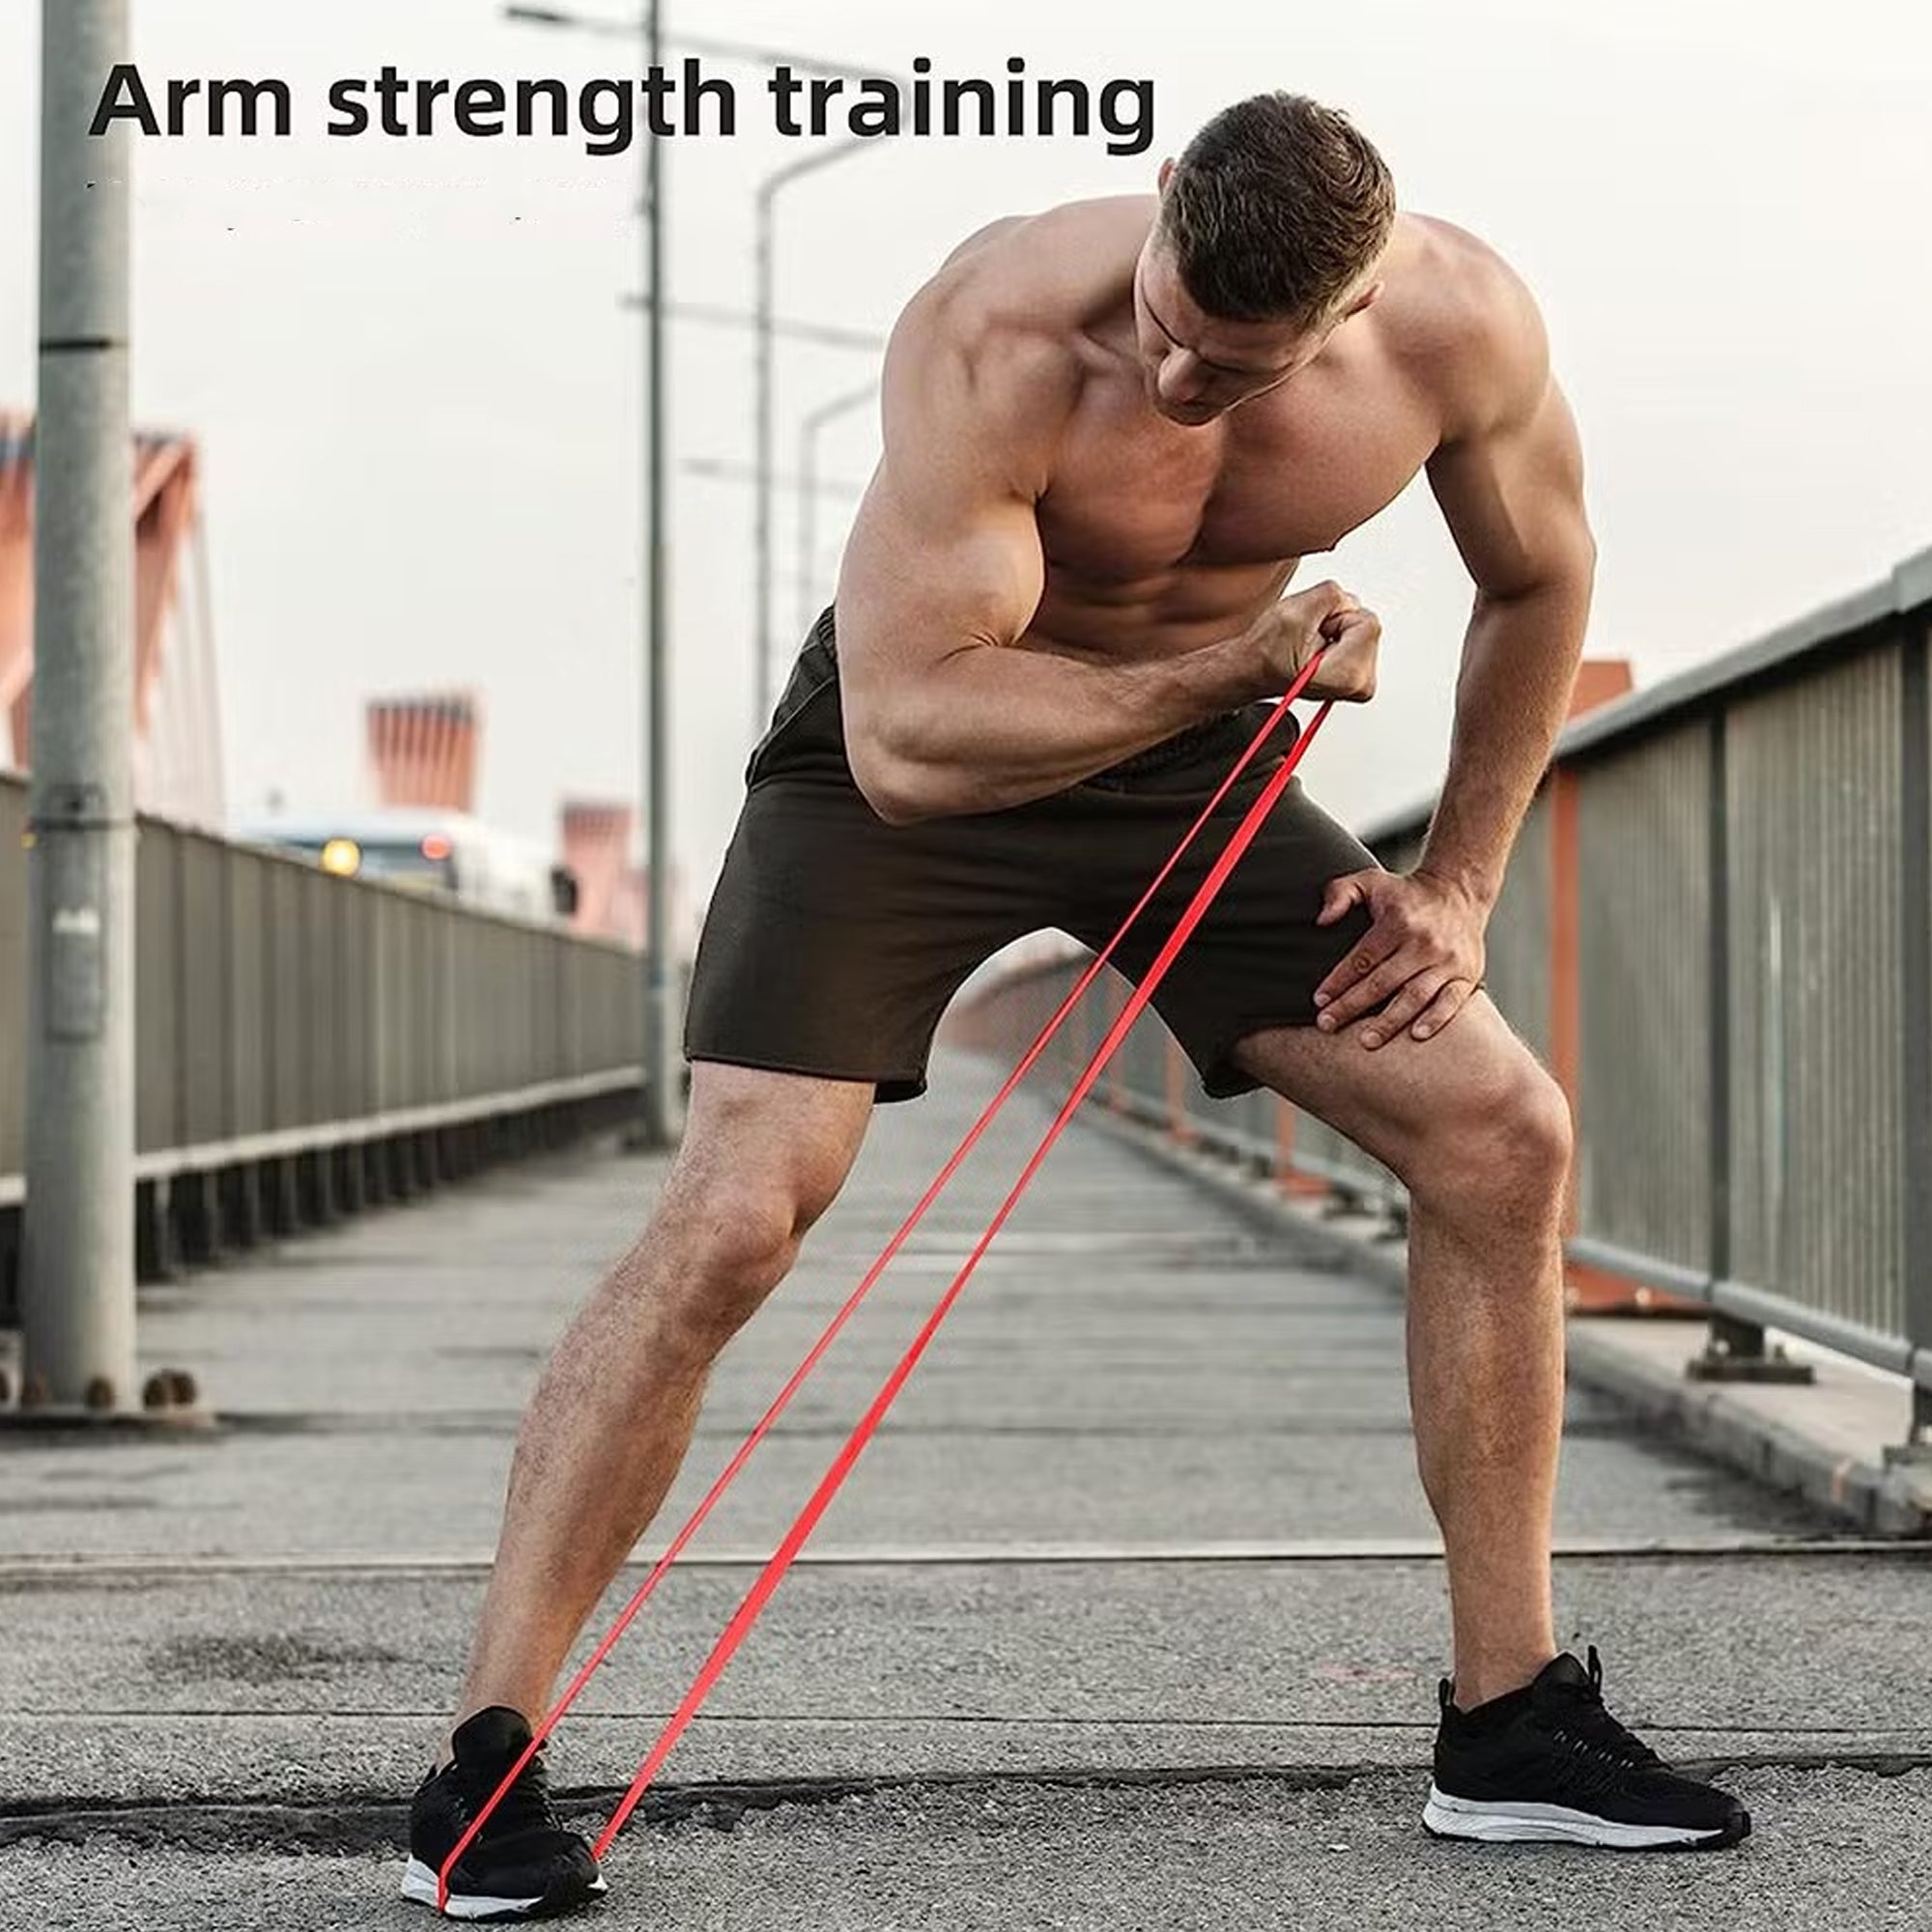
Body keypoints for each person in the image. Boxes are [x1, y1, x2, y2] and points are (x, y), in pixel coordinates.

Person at [401, 91, 1749, 1918]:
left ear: (1349, 321)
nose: (1181, 374)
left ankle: (1509, 1725)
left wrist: (1457, 888)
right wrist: (1239, 661)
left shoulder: (1464, 332)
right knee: (734, 1213)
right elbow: (913, 734)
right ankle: (486, 1763)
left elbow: (1540, 577)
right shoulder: (999, 324)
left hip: (1193, 768)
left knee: (1504, 1138)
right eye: (1172, 321)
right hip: (909, 769)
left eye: (1237, 366)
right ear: (1168, 199)